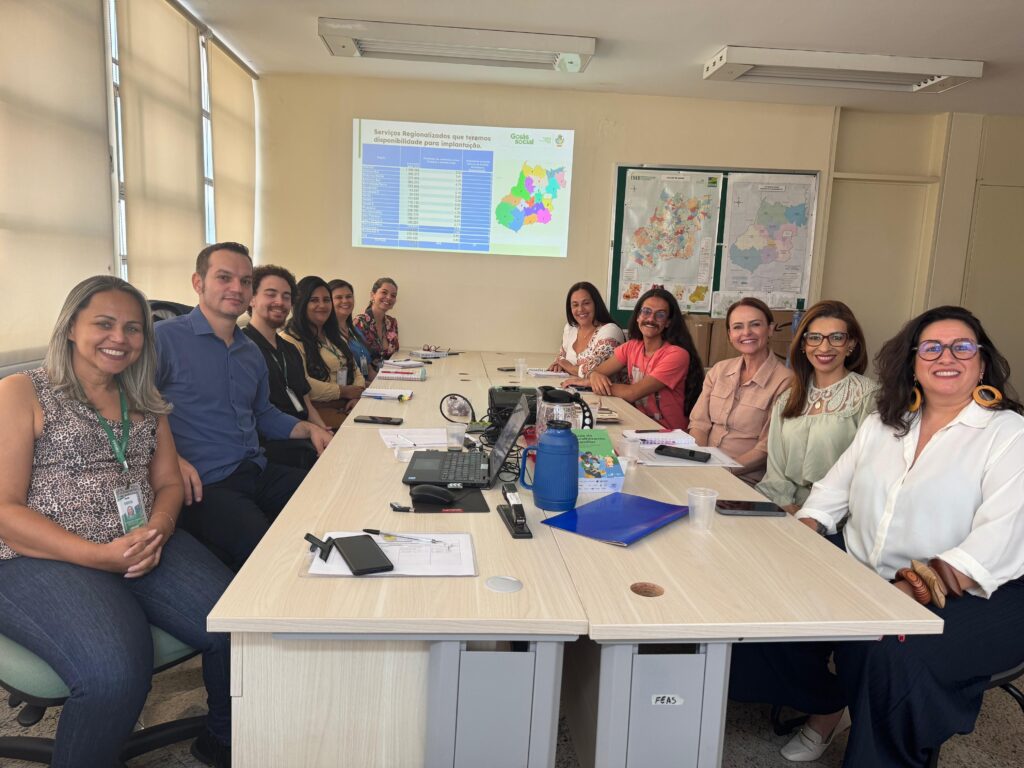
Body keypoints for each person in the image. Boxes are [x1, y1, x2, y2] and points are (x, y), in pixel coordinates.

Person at [729, 305, 1024, 767]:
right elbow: (832, 493)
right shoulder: (885, 422)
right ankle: (830, 701)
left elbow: (998, 540)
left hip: (970, 586)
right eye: (931, 347)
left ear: (982, 362)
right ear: (913, 362)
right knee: (761, 592)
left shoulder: (1009, 434)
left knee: (890, 653)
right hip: (865, 565)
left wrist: (906, 591)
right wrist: (799, 537)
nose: (946, 356)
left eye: (962, 347)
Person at [0, 276, 233, 767]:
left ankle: (222, 742)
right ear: (70, 327)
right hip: (38, 555)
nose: (119, 338)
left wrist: (160, 527)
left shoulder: (143, 398)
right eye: (104, 324)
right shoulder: (23, 391)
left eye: (133, 328)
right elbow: (4, 509)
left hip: (141, 540)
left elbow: (168, 483)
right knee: (115, 673)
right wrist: (98, 557)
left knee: (238, 625)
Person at [155, 242, 332, 570]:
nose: (236, 288)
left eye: (245, 281)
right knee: (270, 557)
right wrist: (169, 460)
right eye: (224, 277)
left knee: (331, 499)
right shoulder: (163, 339)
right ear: (198, 282)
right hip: (206, 485)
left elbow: (263, 413)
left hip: (256, 469)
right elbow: (130, 406)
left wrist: (309, 428)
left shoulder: (250, 351)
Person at [757, 300, 877, 512]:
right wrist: (786, 506)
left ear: (851, 344)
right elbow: (776, 469)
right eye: (814, 337)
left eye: (836, 338)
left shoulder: (868, 396)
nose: (824, 347)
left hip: (837, 515)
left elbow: (869, 473)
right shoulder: (787, 398)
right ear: (803, 345)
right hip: (785, 509)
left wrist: (816, 515)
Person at [563, 287, 704, 430]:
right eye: (646, 312)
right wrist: (594, 376)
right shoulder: (631, 347)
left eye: (660, 315)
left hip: (668, 434)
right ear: (638, 316)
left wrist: (591, 382)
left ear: (668, 322)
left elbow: (632, 393)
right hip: (638, 425)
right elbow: (598, 371)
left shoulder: (677, 355)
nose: (651, 319)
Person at [687, 298, 793, 482]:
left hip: (744, 479)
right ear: (730, 334)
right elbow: (699, 424)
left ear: (770, 329)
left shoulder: (786, 381)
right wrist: (700, 463)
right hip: (704, 469)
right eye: (737, 327)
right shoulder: (719, 370)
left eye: (755, 325)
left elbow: (767, 448)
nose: (746, 332)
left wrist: (722, 471)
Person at [243, 265, 328, 468]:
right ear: (251, 298)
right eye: (271, 294)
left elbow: (306, 404)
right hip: (274, 443)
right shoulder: (242, 348)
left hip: (306, 436)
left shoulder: (289, 349)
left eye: (286, 296)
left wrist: (324, 431)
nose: (280, 302)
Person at [281, 276, 366, 429]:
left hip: (346, 403)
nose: (322, 305)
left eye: (326, 300)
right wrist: (342, 392)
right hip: (316, 409)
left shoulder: (333, 335)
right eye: (314, 300)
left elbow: (355, 369)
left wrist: (356, 395)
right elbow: (303, 383)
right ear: (301, 304)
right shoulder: (289, 339)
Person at [547, 281, 624, 377]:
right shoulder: (570, 328)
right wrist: (558, 366)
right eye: (575, 305)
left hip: (604, 387)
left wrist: (569, 367)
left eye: (586, 303)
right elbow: (560, 359)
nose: (580, 309)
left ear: (596, 304)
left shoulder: (611, 330)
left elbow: (595, 371)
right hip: (569, 385)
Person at [329, 278, 374, 380]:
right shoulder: (325, 334)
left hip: (367, 386)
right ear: (329, 301)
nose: (345, 301)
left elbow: (369, 370)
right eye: (339, 297)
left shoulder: (355, 331)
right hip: (348, 388)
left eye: (349, 296)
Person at [354, 276, 399, 369]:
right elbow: (359, 358)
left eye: (393, 295)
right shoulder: (359, 322)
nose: (389, 297)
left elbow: (395, 355)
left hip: (391, 373)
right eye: (384, 292)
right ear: (372, 295)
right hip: (368, 375)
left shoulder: (392, 323)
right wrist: (371, 376)